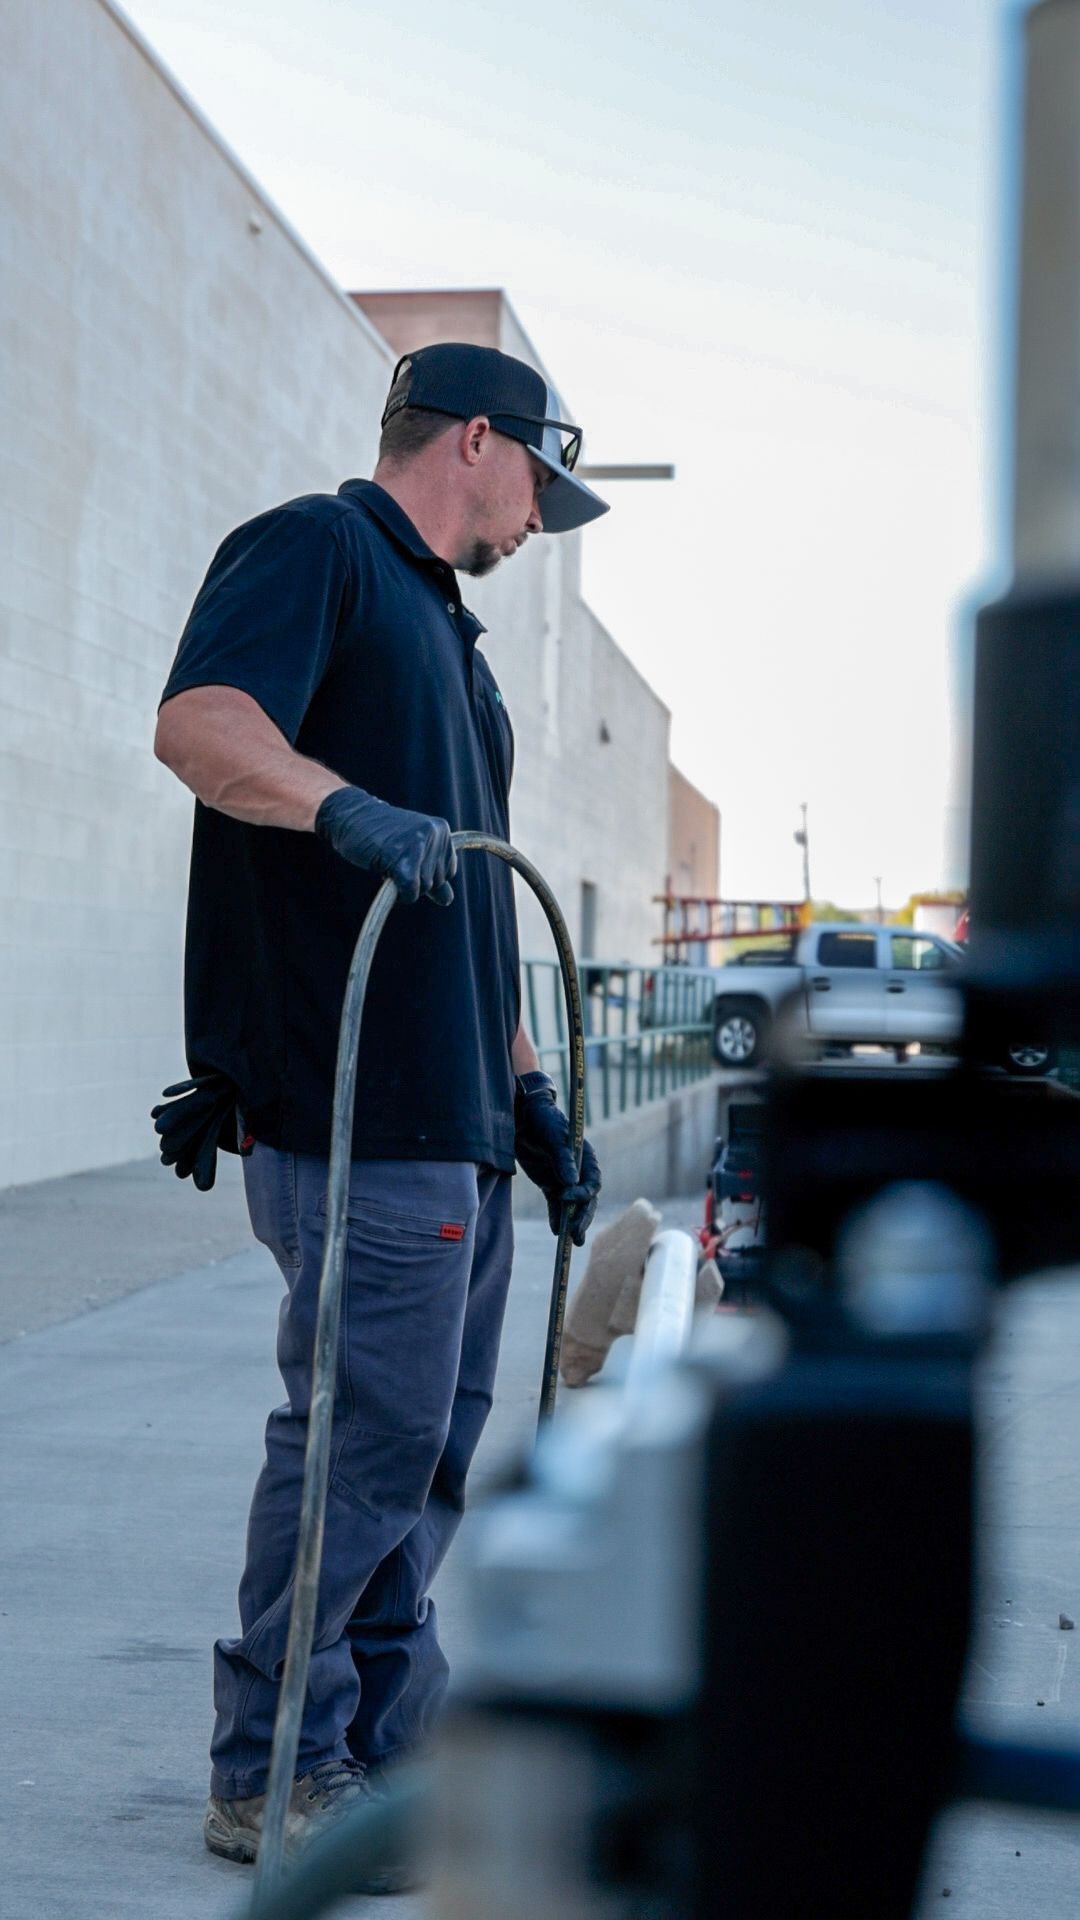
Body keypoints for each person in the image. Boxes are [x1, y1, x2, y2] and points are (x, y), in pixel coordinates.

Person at [152, 342, 606, 1880]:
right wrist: (341, 805)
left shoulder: (456, 653)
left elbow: (474, 907)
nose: (543, 520)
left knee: (431, 1448)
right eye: (541, 481)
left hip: (460, 1117)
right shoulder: (317, 551)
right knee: (364, 1437)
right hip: (359, 1112)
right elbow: (204, 729)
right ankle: (273, 1767)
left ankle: (387, 1753)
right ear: (475, 440)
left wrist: (533, 1094)